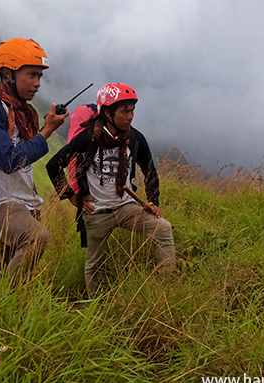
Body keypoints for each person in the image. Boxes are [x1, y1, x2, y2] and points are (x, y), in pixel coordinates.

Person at [46, 83, 176, 297]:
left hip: (126, 207)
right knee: (93, 264)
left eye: (133, 110)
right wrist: (73, 197)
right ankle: (95, 307)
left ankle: (165, 289)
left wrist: (153, 202)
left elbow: (150, 171)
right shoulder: (88, 138)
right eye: (124, 111)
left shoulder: (134, 138)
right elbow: (53, 165)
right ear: (107, 112)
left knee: (162, 229)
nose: (130, 116)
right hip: (96, 212)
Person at [0, 38, 67, 287]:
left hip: (22, 202)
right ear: (8, 73)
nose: (37, 84)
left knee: (9, 271)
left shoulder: (21, 112)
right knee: (35, 238)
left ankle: (3, 314)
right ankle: (6, 307)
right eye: (31, 75)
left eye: (40, 76)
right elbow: (9, 161)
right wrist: (46, 133)